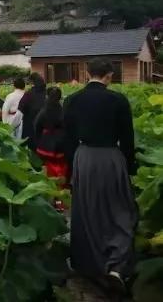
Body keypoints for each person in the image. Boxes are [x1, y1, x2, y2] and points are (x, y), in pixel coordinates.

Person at [63, 58, 137, 296]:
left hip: (83, 158)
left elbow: (69, 139)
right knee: (120, 209)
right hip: (111, 157)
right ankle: (116, 265)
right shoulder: (118, 100)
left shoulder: (72, 100)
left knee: (86, 210)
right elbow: (127, 138)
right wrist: (129, 167)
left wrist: (72, 168)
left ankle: (89, 265)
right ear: (109, 76)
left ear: (87, 73)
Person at [34, 87, 68, 210]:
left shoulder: (44, 111)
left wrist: (39, 141)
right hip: (61, 146)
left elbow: (37, 127)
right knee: (62, 171)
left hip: (46, 147)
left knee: (48, 172)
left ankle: (50, 199)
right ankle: (61, 202)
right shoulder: (63, 110)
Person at [18, 73, 47, 149]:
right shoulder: (47, 93)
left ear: (32, 82)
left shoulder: (29, 94)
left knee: (32, 150)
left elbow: (20, 107)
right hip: (44, 127)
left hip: (30, 126)